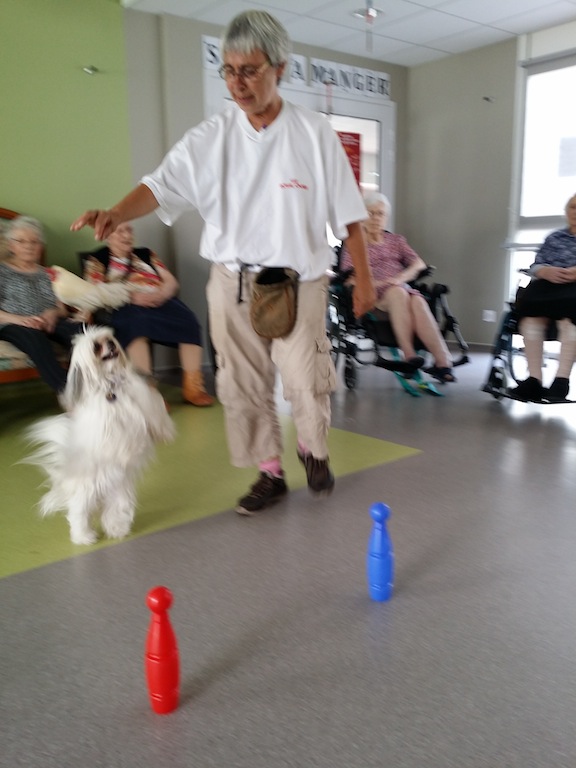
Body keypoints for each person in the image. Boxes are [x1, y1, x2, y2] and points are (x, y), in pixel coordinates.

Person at [71, 10, 375, 515]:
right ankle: (270, 472)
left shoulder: (314, 133)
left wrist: (364, 279)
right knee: (243, 386)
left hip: (301, 281)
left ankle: (311, 447)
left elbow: (350, 215)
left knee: (307, 379)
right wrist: (116, 212)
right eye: (229, 71)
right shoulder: (210, 138)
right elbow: (159, 186)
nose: (238, 83)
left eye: (250, 70)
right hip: (233, 282)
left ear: (280, 68)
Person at [82, 222, 213, 407]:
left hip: (159, 300)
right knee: (136, 325)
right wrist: (130, 296)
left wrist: (162, 294)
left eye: (129, 230)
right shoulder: (97, 259)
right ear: (108, 236)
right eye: (120, 231)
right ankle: (148, 393)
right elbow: (95, 291)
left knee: (188, 320)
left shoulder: (146, 254)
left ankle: (193, 388)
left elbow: (171, 282)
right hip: (124, 305)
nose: (127, 235)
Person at [340, 192, 455, 382]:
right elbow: (347, 279)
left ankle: (443, 362)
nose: (376, 218)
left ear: (386, 217)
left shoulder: (396, 241)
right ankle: (408, 354)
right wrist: (379, 284)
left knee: (418, 301)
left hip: (400, 288)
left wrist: (400, 277)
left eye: (381, 213)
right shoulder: (354, 244)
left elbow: (418, 264)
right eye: (371, 213)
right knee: (399, 293)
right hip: (373, 296)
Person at [0, 216, 82, 395]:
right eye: (21, 241)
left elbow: (62, 309)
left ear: (41, 246)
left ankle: (96, 384)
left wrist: (53, 313)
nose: (29, 246)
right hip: (14, 324)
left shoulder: (48, 273)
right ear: (11, 245)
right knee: (36, 339)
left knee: (83, 332)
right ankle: (71, 393)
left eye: (34, 242)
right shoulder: (2, 271)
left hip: (49, 321)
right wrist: (21, 320)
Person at [508, 193, 576, 403]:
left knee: (570, 322)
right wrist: (544, 271)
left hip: (574, 294)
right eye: (573, 207)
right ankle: (534, 380)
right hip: (548, 288)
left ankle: (561, 381)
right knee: (530, 320)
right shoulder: (554, 237)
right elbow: (536, 264)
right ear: (566, 211)